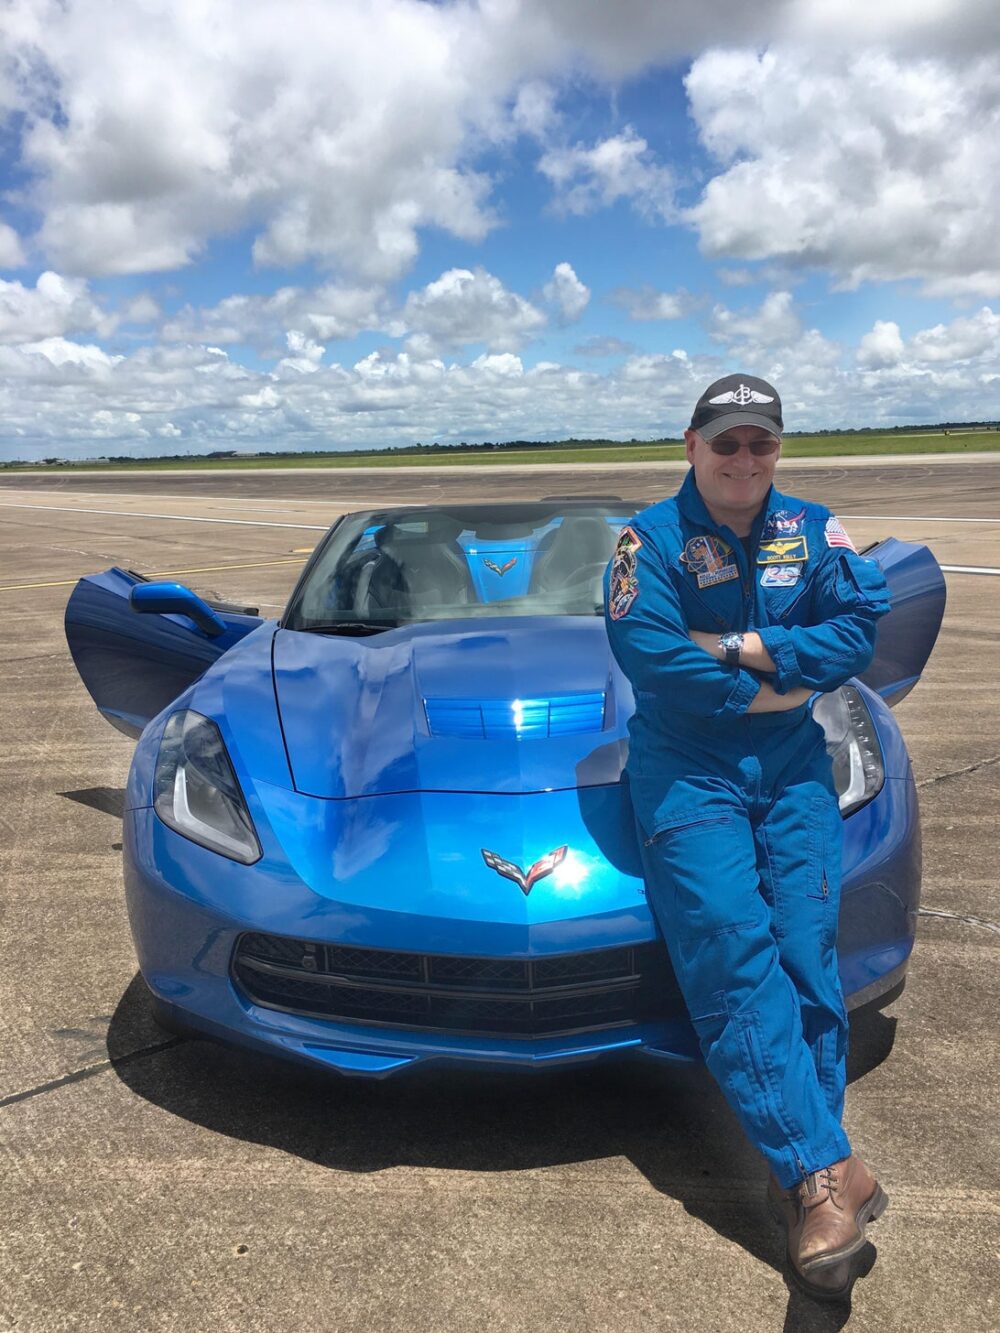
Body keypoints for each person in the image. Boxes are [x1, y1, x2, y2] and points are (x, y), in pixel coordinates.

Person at [604, 374, 892, 1300]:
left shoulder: (814, 529)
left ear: (778, 450)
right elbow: (649, 651)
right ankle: (822, 1174)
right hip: (688, 767)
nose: (743, 459)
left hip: (792, 768)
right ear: (690, 445)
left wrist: (739, 647)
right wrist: (766, 682)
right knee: (732, 950)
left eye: (759, 442)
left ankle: (817, 1176)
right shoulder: (644, 540)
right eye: (725, 441)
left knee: (809, 951)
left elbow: (858, 629)